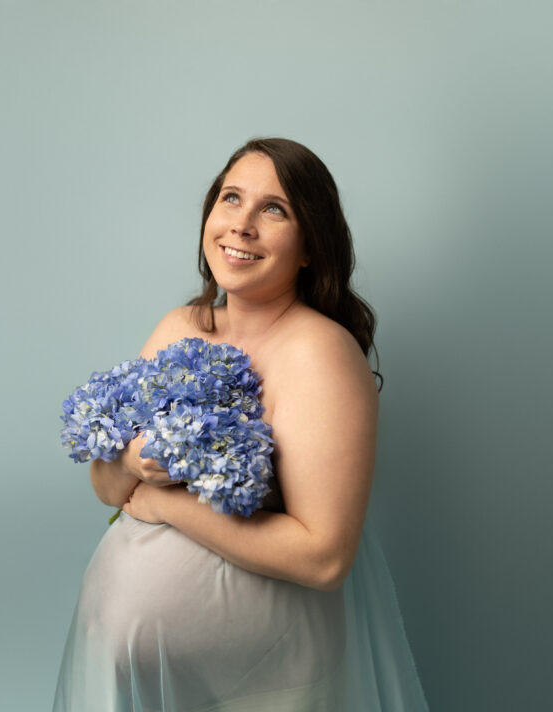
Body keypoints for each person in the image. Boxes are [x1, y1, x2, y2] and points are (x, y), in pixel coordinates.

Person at [53, 138, 429, 711]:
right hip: (131, 661)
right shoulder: (183, 325)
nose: (242, 226)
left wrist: (167, 505)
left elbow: (323, 557)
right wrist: (130, 462)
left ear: (310, 247)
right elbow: (107, 486)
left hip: (261, 672)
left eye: (274, 209)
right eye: (232, 198)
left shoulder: (319, 353)